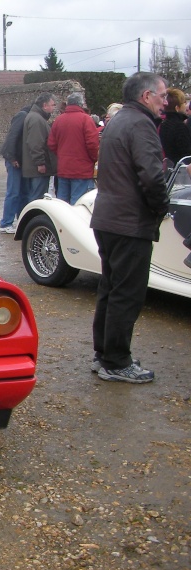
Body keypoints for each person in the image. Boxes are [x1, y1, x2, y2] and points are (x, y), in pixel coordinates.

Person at [90, 72, 169, 383]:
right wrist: (161, 207)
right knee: (127, 293)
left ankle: (105, 354)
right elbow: (151, 175)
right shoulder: (140, 124)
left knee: (110, 289)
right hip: (128, 221)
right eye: (162, 95)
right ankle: (116, 360)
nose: (165, 102)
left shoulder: (118, 121)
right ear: (146, 96)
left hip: (109, 217)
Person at [47, 92, 99, 204]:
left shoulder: (59, 120)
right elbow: (92, 144)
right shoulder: (86, 119)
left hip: (63, 167)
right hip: (81, 168)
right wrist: (93, 159)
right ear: (81, 104)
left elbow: (51, 143)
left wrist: (61, 154)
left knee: (62, 202)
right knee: (77, 202)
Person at [0, 104, 31, 233]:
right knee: (14, 192)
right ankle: (6, 223)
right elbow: (12, 137)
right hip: (15, 160)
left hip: (19, 159)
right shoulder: (22, 116)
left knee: (22, 192)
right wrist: (12, 158)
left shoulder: (25, 116)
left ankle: (18, 221)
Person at [22, 93, 57, 202]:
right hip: (37, 169)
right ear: (45, 105)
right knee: (37, 199)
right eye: (53, 105)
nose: (54, 107)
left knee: (35, 196)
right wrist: (40, 163)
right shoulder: (37, 119)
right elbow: (35, 142)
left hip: (35, 167)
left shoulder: (36, 117)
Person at [158, 88, 191, 168]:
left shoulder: (163, 124)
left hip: (168, 168)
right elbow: (186, 154)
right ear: (177, 108)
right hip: (179, 171)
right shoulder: (180, 126)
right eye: (183, 103)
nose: (185, 105)